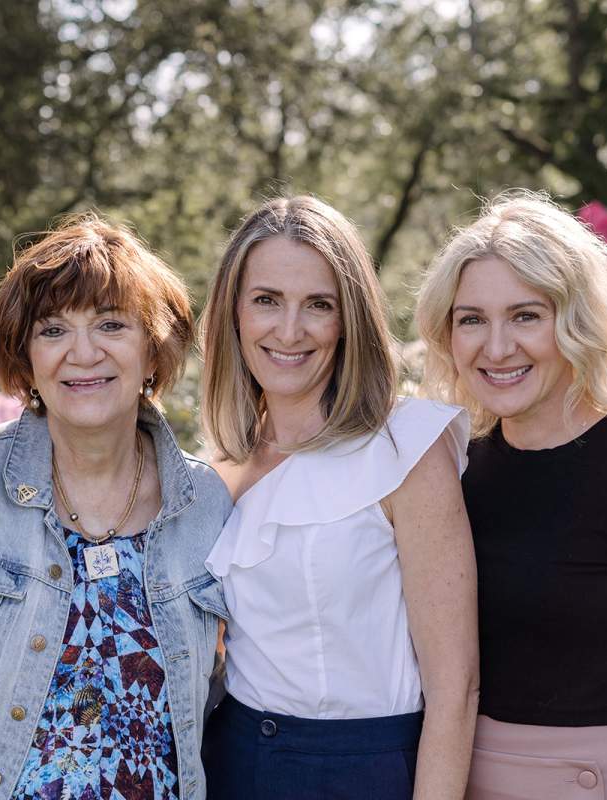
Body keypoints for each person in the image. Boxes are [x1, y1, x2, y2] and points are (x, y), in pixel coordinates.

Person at [0, 214, 232, 800]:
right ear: (26, 357)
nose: (83, 353)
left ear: (154, 350)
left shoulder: (206, 503)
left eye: (111, 325)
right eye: (53, 330)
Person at [414, 191, 607, 799]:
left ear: (577, 321)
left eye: (526, 315)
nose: (496, 347)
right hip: (441, 778)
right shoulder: (448, 468)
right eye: (471, 318)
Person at [199, 196, 479, 800]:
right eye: (267, 300)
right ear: (234, 313)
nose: (289, 330)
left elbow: (456, 691)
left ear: (348, 319)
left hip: (365, 770)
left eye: (318, 305)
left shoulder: (406, 448)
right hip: (235, 765)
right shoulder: (218, 471)